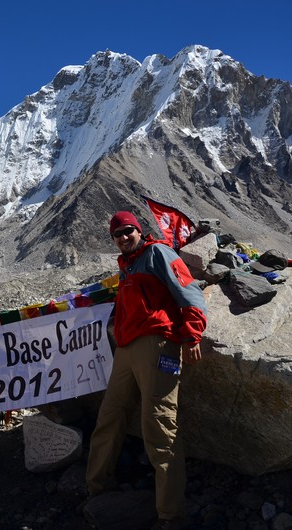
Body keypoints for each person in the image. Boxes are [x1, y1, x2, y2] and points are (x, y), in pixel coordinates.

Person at [85, 211, 207, 530]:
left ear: (138, 231)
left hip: (157, 343)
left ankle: (170, 515)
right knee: (110, 416)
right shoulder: (126, 266)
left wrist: (192, 333)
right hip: (127, 349)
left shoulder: (157, 253)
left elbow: (189, 290)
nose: (123, 237)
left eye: (128, 231)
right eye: (117, 234)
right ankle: (96, 487)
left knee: (159, 425)